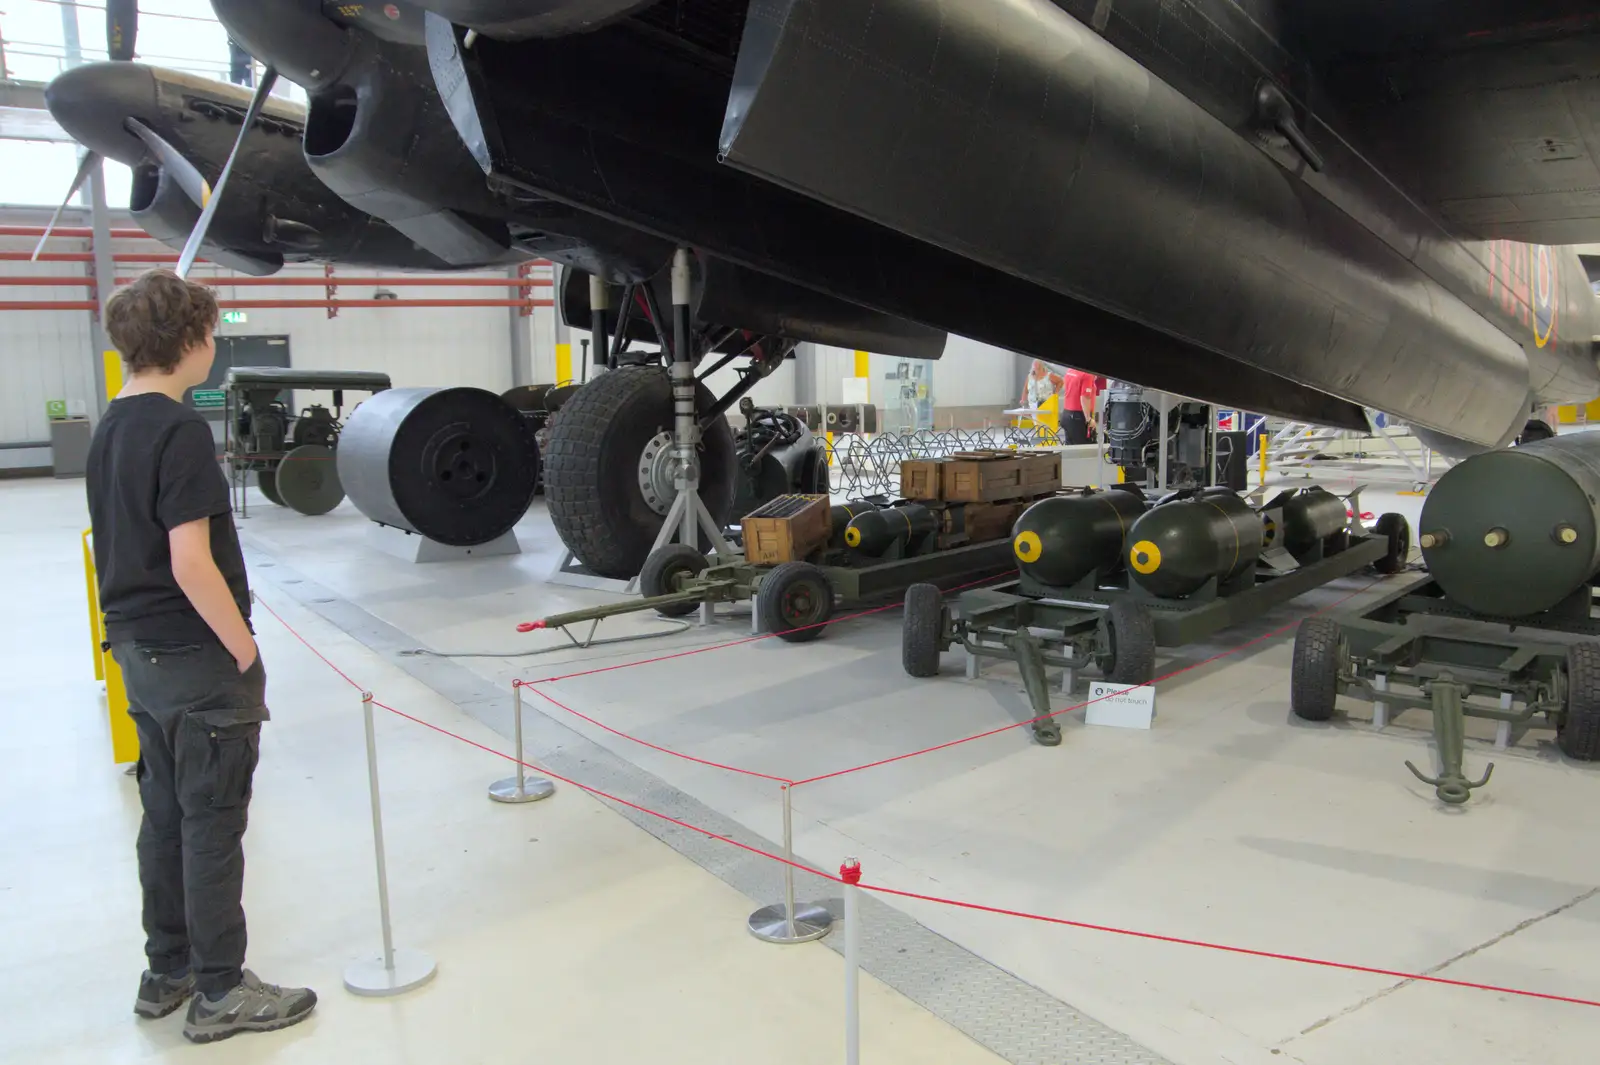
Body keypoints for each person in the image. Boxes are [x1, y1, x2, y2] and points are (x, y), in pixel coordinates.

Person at [87, 270, 316, 1043]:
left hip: (138, 652)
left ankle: (170, 968)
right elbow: (192, 560)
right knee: (213, 822)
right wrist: (244, 648)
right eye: (210, 332)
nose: (213, 345)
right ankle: (220, 990)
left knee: (165, 817)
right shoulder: (179, 429)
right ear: (187, 340)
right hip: (195, 656)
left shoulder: (111, 425)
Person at [1055, 367, 1107, 445]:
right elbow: (1085, 397)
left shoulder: (1070, 370)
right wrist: (1088, 419)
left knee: (1071, 449)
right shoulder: (1087, 374)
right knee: (1084, 451)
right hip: (1078, 416)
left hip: (1067, 414)